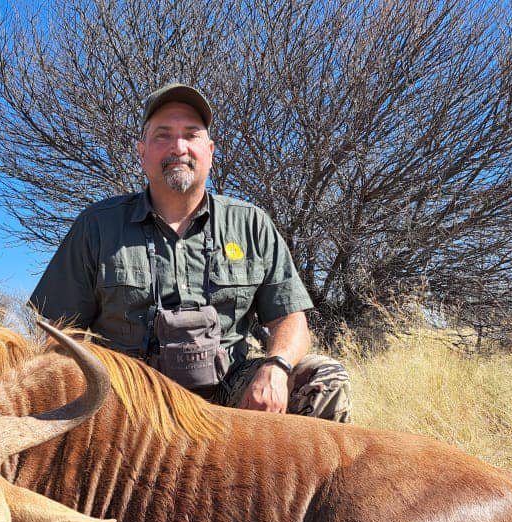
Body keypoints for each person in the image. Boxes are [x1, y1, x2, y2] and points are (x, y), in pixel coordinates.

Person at [29, 83, 351, 423]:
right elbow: (61, 331)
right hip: (128, 399)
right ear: (142, 152)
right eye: (163, 136)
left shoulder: (251, 223)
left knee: (324, 380)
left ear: (210, 151)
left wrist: (275, 368)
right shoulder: (96, 225)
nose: (178, 147)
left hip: (229, 388)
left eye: (191, 135)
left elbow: (291, 319)